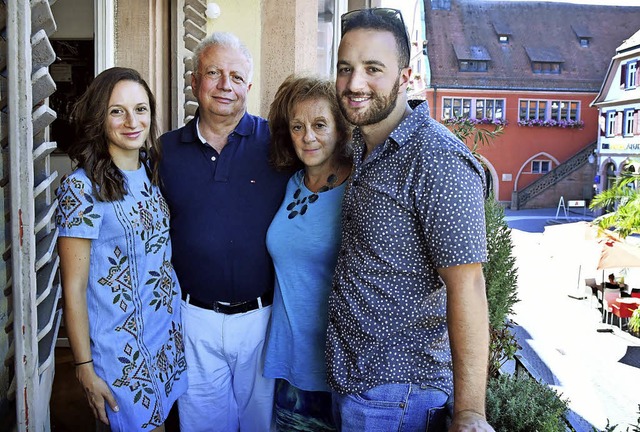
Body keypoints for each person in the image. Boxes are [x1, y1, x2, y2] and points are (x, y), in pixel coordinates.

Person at [326, 8, 495, 432]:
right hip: (354, 383)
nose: (354, 83)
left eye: (373, 69)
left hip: (399, 396)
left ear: (405, 75)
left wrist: (471, 412)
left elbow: (469, 285)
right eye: (345, 68)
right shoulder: (367, 145)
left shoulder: (436, 158)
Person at [158, 32, 289, 432]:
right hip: (192, 317)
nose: (224, 85)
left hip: (262, 319)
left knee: (259, 425)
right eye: (213, 73)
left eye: (235, 76)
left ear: (249, 87)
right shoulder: (164, 151)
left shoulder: (280, 145)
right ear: (194, 81)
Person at [55, 67, 187, 432]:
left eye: (141, 109)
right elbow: (74, 288)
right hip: (121, 353)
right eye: (117, 111)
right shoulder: (81, 190)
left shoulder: (149, 170)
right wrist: (83, 367)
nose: (132, 121)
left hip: (164, 336)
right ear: (100, 117)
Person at [263, 74, 352, 431]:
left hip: (334, 367)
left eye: (319, 124)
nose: (308, 137)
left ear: (340, 127)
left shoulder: (356, 188)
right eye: (298, 126)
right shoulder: (291, 183)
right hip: (288, 359)